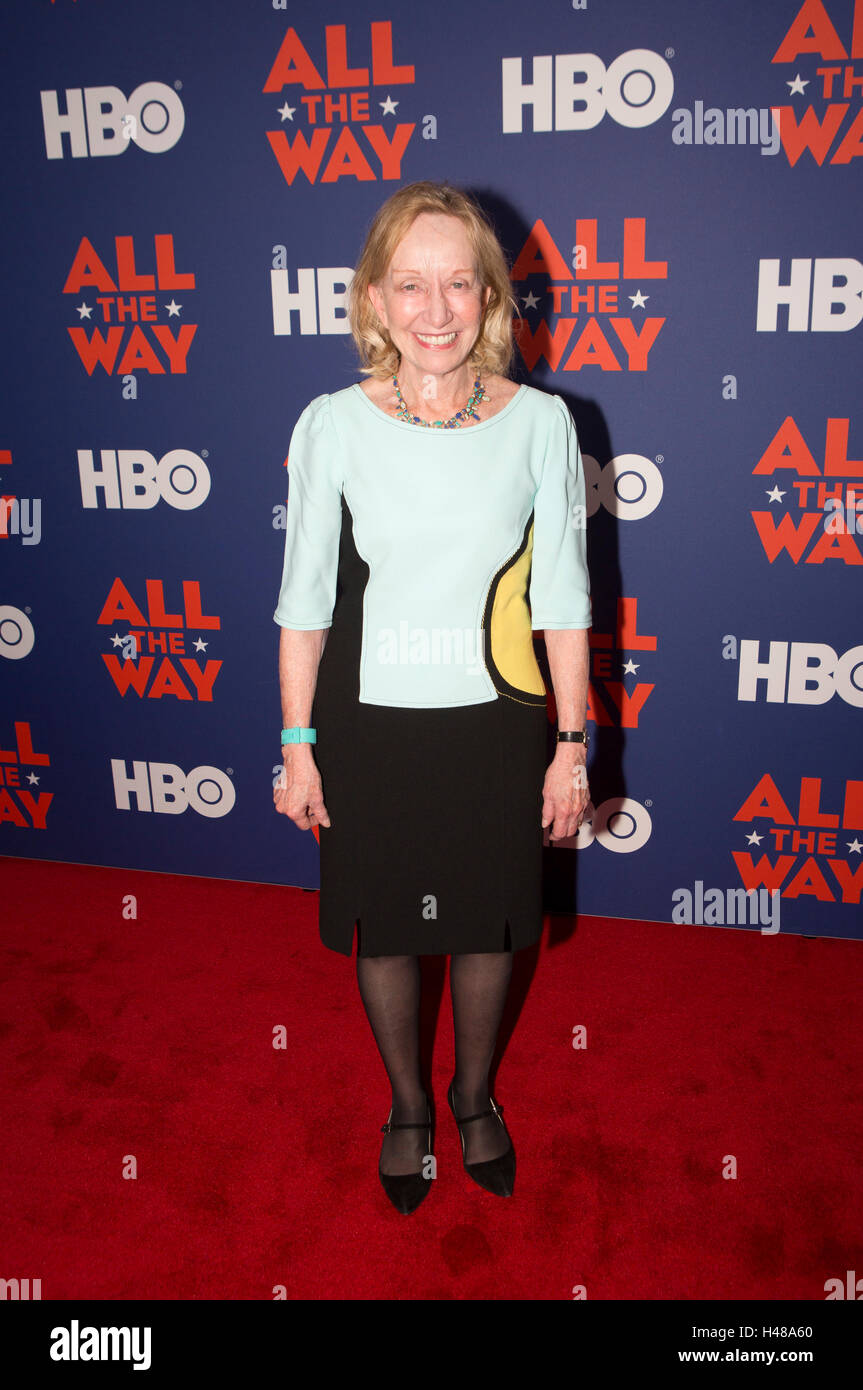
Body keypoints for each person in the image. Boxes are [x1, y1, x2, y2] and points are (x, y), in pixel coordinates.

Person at [273, 181, 591, 1214]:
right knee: (392, 929)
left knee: (492, 927)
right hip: (370, 728)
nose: (436, 308)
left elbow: (563, 603)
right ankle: (408, 1105)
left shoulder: (541, 422)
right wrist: (297, 743)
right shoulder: (329, 424)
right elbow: (303, 602)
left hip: (497, 724)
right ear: (372, 300)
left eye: (459, 281)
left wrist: (569, 746)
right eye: (409, 284)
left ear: (491, 297)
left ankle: (471, 1094)